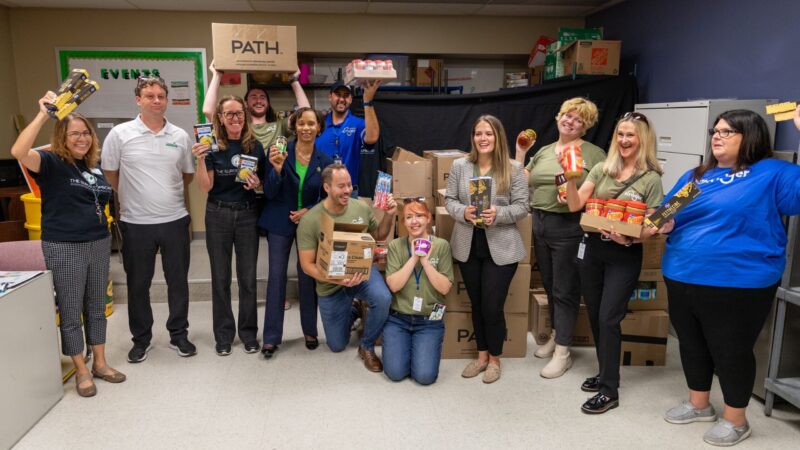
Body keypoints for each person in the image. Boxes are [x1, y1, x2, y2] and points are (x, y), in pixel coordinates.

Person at [652, 109, 800, 446]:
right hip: (682, 273)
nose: (717, 136)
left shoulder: (772, 173)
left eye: (728, 131)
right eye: (715, 131)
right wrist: (657, 223)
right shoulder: (699, 176)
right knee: (691, 343)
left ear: (751, 136)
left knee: (730, 350)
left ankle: (736, 420)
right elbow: (666, 213)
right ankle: (699, 403)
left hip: (740, 281)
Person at [11, 92, 126, 397]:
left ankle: (100, 362)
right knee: (72, 310)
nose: (82, 138)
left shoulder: (94, 167)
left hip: (98, 242)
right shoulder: (50, 162)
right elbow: (18, 151)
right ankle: (82, 370)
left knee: (97, 307)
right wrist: (42, 114)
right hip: (64, 245)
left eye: (86, 133)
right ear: (62, 136)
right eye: (75, 133)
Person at [564, 112, 664, 414]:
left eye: (630, 135)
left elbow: (655, 223)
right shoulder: (601, 169)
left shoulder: (651, 178)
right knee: (595, 315)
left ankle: (609, 391)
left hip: (625, 254)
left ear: (643, 140)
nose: (623, 141)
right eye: (620, 134)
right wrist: (570, 180)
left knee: (609, 317)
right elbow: (574, 205)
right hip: (593, 250)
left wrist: (631, 239)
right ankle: (606, 371)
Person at [102, 76, 196, 362]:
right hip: (136, 223)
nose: (156, 100)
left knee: (178, 281)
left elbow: (187, 175)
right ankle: (141, 339)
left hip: (175, 220)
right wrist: (134, 195)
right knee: (138, 284)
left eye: (160, 96)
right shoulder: (120, 134)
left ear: (166, 100)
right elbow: (111, 173)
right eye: (150, 96)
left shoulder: (179, 136)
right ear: (138, 100)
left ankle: (179, 334)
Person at [516, 97, 606, 378]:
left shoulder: (594, 154)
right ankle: (557, 334)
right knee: (551, 285)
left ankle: (563, 352)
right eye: (567, 115)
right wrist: (521, 153)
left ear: (586, 126)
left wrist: (574, 194)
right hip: (540, 223)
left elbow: (603, 191)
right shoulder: (544, 150)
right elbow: (522, 179)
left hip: (570, 226)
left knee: (565, 290)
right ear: (558, 118)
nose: (570, 121)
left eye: (578, 119)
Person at [445, 115, 529, 384]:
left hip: (501, 246)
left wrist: (499, 214)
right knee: (477, 304)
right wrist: (463, 212)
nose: (483, 138)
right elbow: (449, 200)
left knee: (492, 306)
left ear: (498, 137)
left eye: (489, 133)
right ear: (473, 137)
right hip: (468, 244)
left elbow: (522, 207)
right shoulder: (460, 165)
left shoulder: (514, 169)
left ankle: (495, 358)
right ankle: (481, 356)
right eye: (478, 133)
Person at [296, 163, 395, 372]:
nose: (348, 190)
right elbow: (306, 266)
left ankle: (366, 346)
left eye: (349, 185)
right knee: (337, 345)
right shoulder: (310, 220)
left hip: (361, 274)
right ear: (327, 188)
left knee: (383, 298)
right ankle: (355, 309)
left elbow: (379, 237)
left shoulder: (360, 207)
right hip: (330, 285)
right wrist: (337, 280)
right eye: (341, 186)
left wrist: (389, 214)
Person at [192, 95, 265, 356]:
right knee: (220, 278)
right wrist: (200, 159)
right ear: (220, 119)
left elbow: (264, 183)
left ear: (245, 117)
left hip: (247, 214)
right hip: (218, 214)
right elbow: (204, 187)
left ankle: (248, 334)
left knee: (247, 279)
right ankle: (223, 335)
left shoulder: (254, 146)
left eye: (239, 113)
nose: (235, 118)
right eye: (230, 114)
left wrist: (257, 184)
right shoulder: (210, 146)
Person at [258, 107, 334, 358]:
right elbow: (268, 192)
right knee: (277, 277)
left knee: (307, 277)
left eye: (311, 124)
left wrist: (308, 211)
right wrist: (277, 169)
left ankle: (310, 331)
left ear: (319, 128)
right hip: (279, 221)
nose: (306, 128)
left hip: (309, 224)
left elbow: (327, 198)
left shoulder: (324, 161)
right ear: (294, 126)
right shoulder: (279, 152)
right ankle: (270, 338)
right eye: (301, 123)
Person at [383, 199, 454, 385]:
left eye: (419, 216)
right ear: (403, 222)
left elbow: (445, 287)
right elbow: (394, 286)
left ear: (429, 218)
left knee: (424, 377)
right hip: (398, 319)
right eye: (409, 217)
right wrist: (415, 256)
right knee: (395, 373)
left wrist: (425, 261)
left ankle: (419, 351)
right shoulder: (395, 246)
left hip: (429, 321)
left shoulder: (442, 246)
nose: (414, 221)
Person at [203, 61, 310, 149]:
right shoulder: (238, 125)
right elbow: (208, 111)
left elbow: (305, 113)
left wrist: (294, 80)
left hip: (272, 174)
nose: (258, 101)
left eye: (262, 98)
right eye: (253, 97)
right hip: (247, 174)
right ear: (245, 104)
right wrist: (217, 75)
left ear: (267, 104)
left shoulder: (279, 127)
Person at [315, 80, 381, 195]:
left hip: (348, 192)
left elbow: (372, 137)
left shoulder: (358, 124)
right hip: (321, 192)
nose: (341, 99)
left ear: (351, 99)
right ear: (330, 97)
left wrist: (368, 102)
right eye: (338, 95)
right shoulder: (319, 124)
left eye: (346, 96)